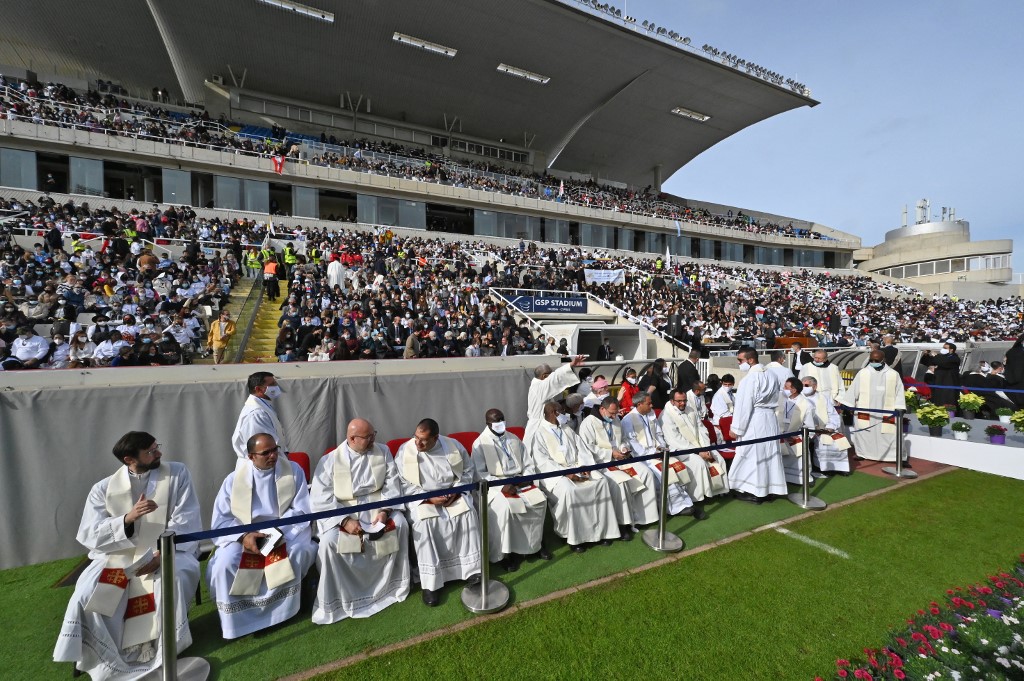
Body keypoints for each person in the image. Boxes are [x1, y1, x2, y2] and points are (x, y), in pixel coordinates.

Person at [53, 432, 202, 678]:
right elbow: (90, 533)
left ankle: (163, 649)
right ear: (129, 459)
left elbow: (186, 519)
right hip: (117, 554)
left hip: (169, 548)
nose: (159, 454)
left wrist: (160, 554)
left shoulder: (177, 474)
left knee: (170, 581)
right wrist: (127, 519)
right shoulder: (102, 489)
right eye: (151, 451)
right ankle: (98, 656)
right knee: (87, 592)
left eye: (157, 447)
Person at [206, 433, 315, 639]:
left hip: (285, 530)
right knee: (225, 564)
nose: (273, 455)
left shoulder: (292, 472)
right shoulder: (233, 480)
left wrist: (277, 532)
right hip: (245, 534)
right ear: (251, 456)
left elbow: (302, 509)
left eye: (275, 449)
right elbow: (221, 522)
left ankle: (281, 614)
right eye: (266, 453)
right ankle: (237, 622)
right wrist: (244, 537)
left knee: (293, 554)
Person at [310, 418, 411, 623]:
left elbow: (392, 483)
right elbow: (321, 497)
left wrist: (384, 511)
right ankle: (341, 598)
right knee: (329, 543)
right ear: (352, 438)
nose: (373, 439)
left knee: (400, 524)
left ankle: (392, 587)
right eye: (367, 437)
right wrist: (345, 520)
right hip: (342, 511)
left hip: (377, 507)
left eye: (374, 434)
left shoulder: (382, 451)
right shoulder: (329, 461)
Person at [395, 419, 480, 606]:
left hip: (452, 494)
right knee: (424, 523)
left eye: (424, 440)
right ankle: (431, 583)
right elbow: (402, 482)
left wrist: (457, 490)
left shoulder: (453, 446)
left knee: (467, 513)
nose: (418, 443)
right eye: (416, 437)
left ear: (436, 437)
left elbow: (468, 470)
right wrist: (428, 497)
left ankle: (471, 571)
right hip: (422, 498)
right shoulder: (405, 451)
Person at [528, 401, 620, 552]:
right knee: (570, 491)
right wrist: (567, 474)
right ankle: (575, 538)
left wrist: (584, 466)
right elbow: (542, 461)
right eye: (562, 412)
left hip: (578, 467)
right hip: (556, 474)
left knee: (601, 482)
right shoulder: (539, 434)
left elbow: (582, 448)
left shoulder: (567, 429)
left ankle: (602, 532)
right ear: (553, 413)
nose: (565, 415)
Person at [472, 408, 551, 571]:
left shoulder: (513, 438)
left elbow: (528, 463)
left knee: (539, 500)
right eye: (496, 421)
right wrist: (503, 485)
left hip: (520, 481)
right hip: (497, 486)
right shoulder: (480, 444)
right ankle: (507, 553)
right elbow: (480, 473)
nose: (500, 423)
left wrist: (525, 478)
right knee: (507, 509)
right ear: (488, 423)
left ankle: (534, 545)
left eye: (502, 419)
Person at [578, 396, 660, 539]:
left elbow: (622, 439)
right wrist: (610, 453)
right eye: (611, 413)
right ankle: (623, 524)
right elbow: (587, 447)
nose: (614, 416)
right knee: (621, 483)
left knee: (646, 473)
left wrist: (623, 448)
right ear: (602, 409)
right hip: (602, 463)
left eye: (616, 413)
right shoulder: (588, 423)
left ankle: (643, 517)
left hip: (620, 459)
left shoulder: (615, 419)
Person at [621, 394, 704, 519]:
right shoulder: (628, 420)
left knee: (678, 467)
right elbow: (632, 442)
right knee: (664, 474)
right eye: (649, 403)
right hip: (644, 457)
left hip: (658, 453)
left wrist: (661, 447)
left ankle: (687, 502)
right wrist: (651, 453)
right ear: (639, 404)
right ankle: (675, 508)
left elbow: (659, 434)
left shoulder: (651, 414)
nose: (652, 405)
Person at [729, 348, 787, 504]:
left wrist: (736, 428)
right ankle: (769, 489)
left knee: (752, 454)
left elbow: (743, 406)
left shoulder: (749, 380)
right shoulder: (772, 375)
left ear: (750, 360)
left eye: (740, 360)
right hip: (770, 418)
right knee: (768, 453)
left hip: (754, 420)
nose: (739, 364)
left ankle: (754, 491)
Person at [838, 349, 907, 463]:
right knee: (865, 432)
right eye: (871, 360)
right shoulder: (863, 373)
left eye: (876, 360)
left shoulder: (893, 374)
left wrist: (899, 407)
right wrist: (849, 405)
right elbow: (854, 389)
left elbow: (899, 392)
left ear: (883, 360)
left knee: (890, 434)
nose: (874, 362)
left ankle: (894, 456)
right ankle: (862, 453)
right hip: (866, 410)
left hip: (887, 410)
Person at [660, 388, 730, 501]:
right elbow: (675, 439)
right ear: (672, 401)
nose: (683, 403)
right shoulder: (666, 415)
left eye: (685, 400)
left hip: (700, 445)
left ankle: (719, 491)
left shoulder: (690, 409)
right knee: (699, 463)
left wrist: (705, 448)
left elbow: (701, 429)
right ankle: (699, 496)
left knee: (719, 458)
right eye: (679, 401)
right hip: (680, 450)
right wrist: (698, 451)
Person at [524, 355, 585, 446]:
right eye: (550, 374)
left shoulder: (540, 387)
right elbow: (555, 377)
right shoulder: (539, 387)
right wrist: (571, 364)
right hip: (538, 428)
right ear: (544, 376)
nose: (552, 375)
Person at [231, 372, 289, 459]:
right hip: (263, 466)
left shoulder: (263, 406)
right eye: (272, 384)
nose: (276, 387)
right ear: (258, 389)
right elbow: (261, 448)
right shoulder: (256, 414)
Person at [801, 377, 849, 475]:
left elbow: (832, 414)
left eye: (806, 385)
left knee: (838, 439)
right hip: (807, 429)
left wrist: (830, 427)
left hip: (824, 428)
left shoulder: (823, 397)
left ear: (815, 387)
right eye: (802, 385)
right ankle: (821, 467)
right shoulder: (800, 398)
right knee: (823, 441)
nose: (803, 387)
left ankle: (838, 467)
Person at [777, 378, 818, 484]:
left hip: (794, 436)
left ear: (794, 390)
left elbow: (809, 426)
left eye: (786, 387)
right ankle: (779, 478)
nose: (783, 389)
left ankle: (805, 478)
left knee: (802, 451)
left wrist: (800, 436)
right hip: (777, 435)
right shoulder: (778, 398)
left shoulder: (806, 404)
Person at [920, 341, 962, 409]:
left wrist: (936, 355)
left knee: (947, 402)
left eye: (945, 348)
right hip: (939, 382)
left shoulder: (955, 358)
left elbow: (943, 362)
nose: (943, 349)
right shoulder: (941, 357)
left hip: (949, 384)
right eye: (943, 347)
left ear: (951, 350)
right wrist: (926, 355)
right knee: (938, 401)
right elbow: (928, 362)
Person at [709, 374, 736, 441]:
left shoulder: (730, 393)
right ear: (722, 383)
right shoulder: (719, 395)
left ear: (733, 384)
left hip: (730, 420)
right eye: (725, 384)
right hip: (721, 423)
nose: (727, 386)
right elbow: (723, 413)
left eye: (729, 384)